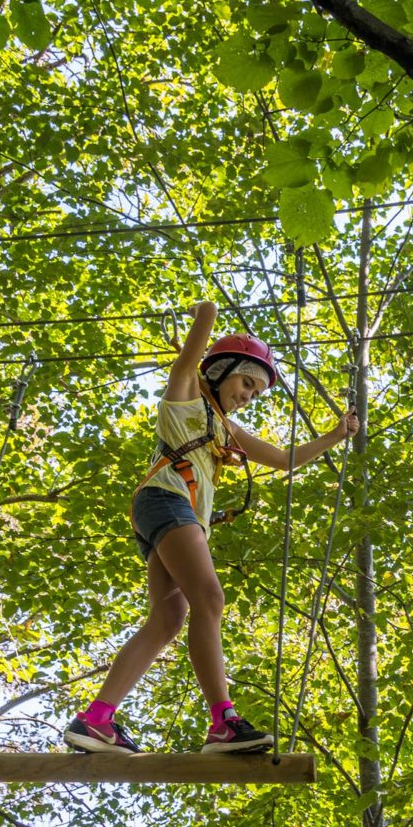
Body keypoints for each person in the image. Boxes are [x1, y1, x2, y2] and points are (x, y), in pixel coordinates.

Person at [63, 301, 359, 755]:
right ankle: (223, 721)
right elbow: (189, 359)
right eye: (246, 383)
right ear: (220, 372)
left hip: (167, 514)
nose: (248, 395)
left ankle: (97, 719)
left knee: (169, 619)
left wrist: (336, 435)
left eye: (256, 393)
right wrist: (208, 315)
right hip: (167, 502)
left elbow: (284, 460)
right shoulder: (184, 399)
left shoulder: (224, 429)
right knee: (211, 599)